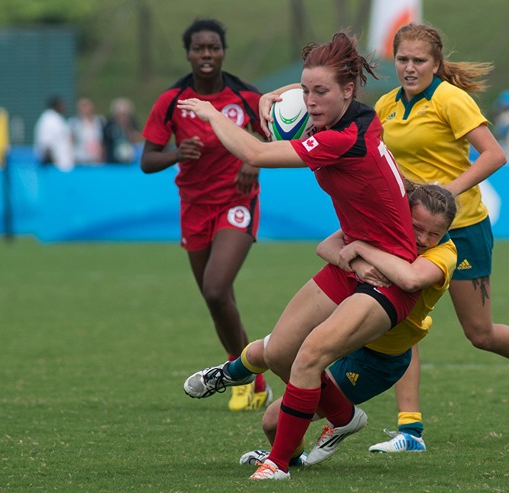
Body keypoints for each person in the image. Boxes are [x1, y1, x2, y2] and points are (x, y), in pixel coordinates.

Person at [177, 32, 419, 480]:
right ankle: (345, 418)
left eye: (319, 92)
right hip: (353, 260)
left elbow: (253, 151)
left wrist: (211, 113)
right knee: (281, 352)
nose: (308, 101)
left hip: (385, 275)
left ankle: (278, 463)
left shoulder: (342, 139)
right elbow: (304, 92)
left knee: (308, 358)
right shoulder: (356, 113)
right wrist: (276, 95)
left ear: (348, 90)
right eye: (305, 91)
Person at [369, 23, 509, 454]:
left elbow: (495, 154)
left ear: (435, 64)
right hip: (412, 232)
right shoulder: (385, 106)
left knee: (480, 333)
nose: (410, 67)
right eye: (403, 59)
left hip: (464, 227)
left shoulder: (451, 99)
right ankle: (409, 431)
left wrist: (443, 195)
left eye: (419, 60)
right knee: (399, 324)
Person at [184, 183, 457, 466]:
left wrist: (360, 248)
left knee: (272, 422)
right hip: (344, 323)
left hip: (376, 359)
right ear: (403, 216)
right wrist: (358, 263)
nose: (423, 239)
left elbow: (410, 278)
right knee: (274, 349)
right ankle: (234, 376)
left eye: (434, 233)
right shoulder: (388, 226)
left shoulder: (443, 255)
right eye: (417, 227)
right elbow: (326, 246)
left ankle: (291, 455)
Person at [140, 18, 271, 412]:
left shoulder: (246, 95)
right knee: (216, 300)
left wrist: (255, 158)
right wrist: (175, 154)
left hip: (237, 200)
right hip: (194, 207)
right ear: (189, 54)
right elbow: (147, 160)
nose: (207, 54)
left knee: (216, 288)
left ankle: (240, 377)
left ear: (223, 51)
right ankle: (253, 377)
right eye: (199, 48)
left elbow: (277, 131)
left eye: (213, 47)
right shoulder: (172, 100)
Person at [34, 95, 74, 172]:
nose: (64, 107)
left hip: (62, 165)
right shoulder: (48, 120)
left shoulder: (57, 119)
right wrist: (50, 164)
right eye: (62, 105)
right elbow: (46, 143)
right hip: (54, 166)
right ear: (56, 105)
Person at [104, 97, 143, 164]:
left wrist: (127, 128)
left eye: (125, 114)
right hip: (112, 161)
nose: (123, 117)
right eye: (121, 114)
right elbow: (104, 143)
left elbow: (137, 139)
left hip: (130, 161)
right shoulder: (108, 125)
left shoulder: (132, 123)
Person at [68, 97, 105, 165]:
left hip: (95, 160)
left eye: (86, 105)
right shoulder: (73, 123)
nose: (84, 108)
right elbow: (70, 142)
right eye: (81, 106)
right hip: (80, 159)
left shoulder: (99, 121)